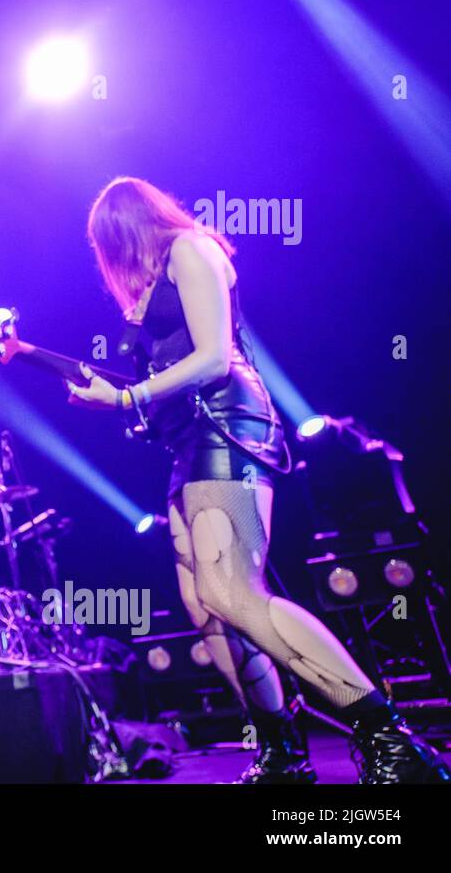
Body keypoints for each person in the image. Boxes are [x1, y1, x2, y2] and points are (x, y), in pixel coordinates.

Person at [66, 176, 447, 784]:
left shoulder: (188, 250)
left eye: (106, 245)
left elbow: (214, 358)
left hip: (230, 426)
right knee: (205, 605)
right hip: (191, 437)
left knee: (234, 590)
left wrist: (128, 396)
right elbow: (172, 371)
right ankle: (281, 750)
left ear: (126, 228)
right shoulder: (154, 286)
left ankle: (389, 737)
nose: (107, 262)